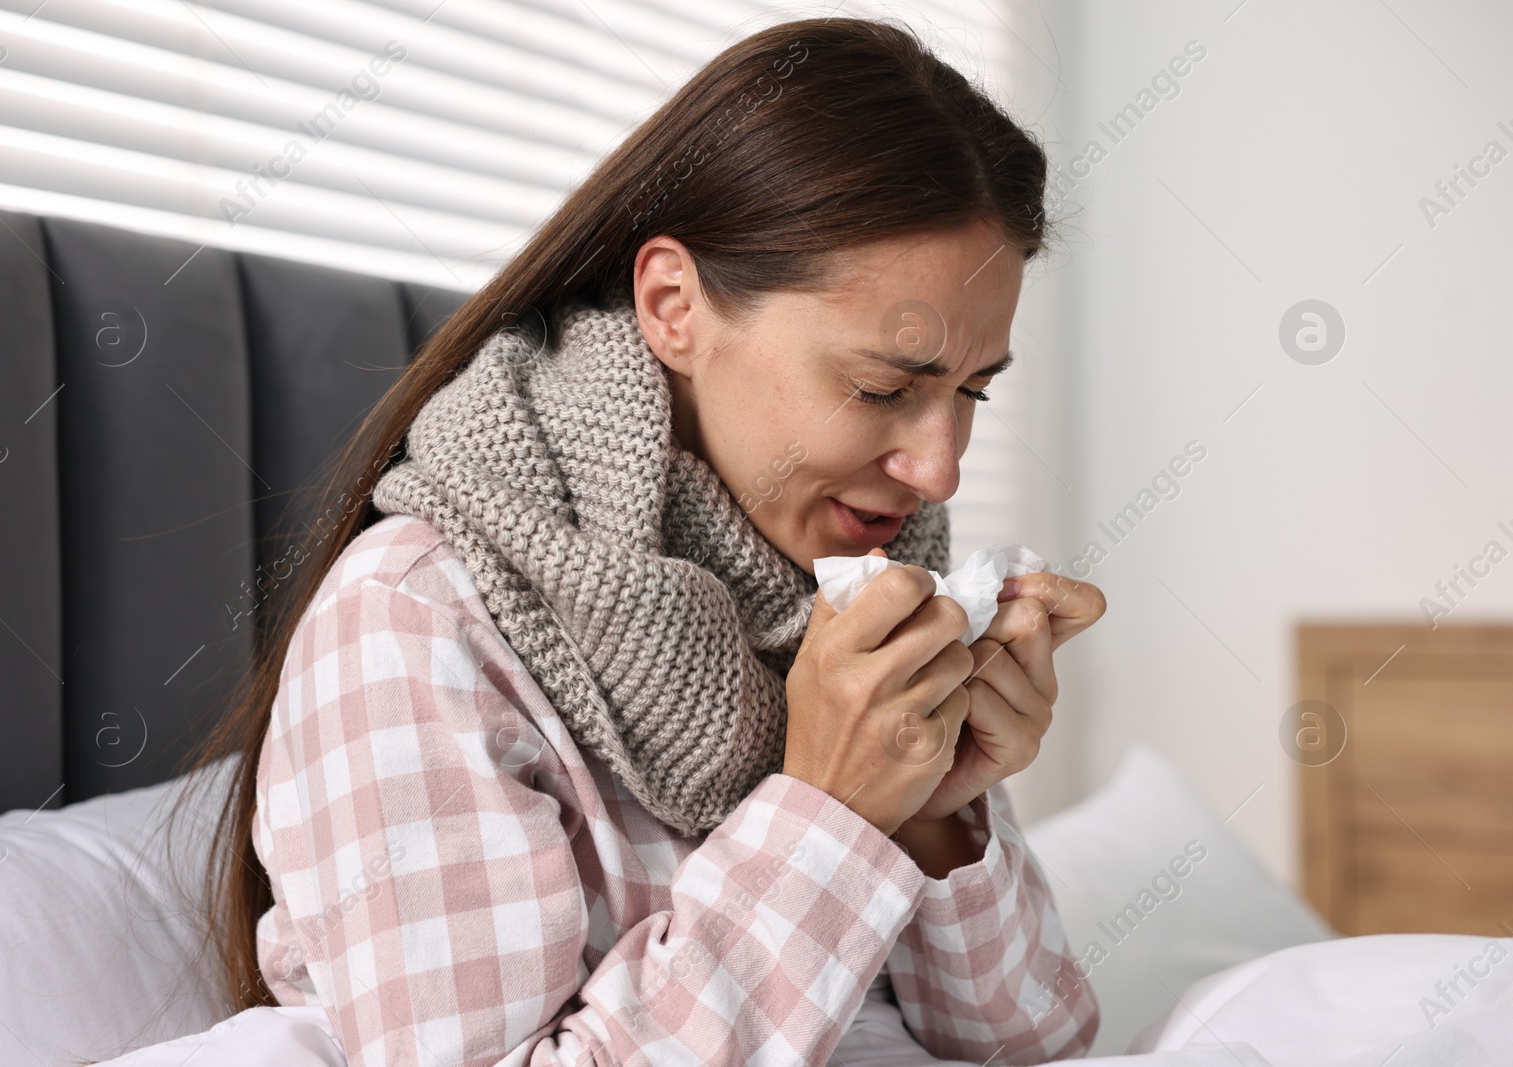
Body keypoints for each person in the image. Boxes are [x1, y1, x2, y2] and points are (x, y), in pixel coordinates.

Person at [189, 15, 1106, 1066]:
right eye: (881, 385)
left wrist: (940, 810)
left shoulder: (853, 589)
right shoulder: (415, 618)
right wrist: (828, 809)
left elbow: (1042, 1041)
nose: (939, 468)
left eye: (971, 390)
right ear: (673, 303)